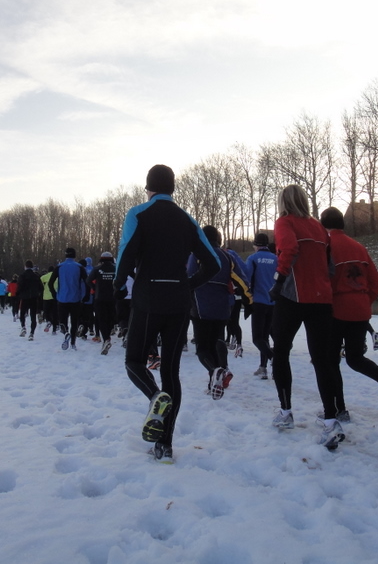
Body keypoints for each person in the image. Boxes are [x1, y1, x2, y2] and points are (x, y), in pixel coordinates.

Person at [113, 164, 220, 464]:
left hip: (148, 299)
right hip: (178, 303)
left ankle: (153, 397)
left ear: (148, 187)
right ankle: (165, 445)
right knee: (171, 372)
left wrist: (118, 287)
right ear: (173, 188)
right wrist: (189, 285)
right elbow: (213, 264)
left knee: (134, 360)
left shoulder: (138, 213)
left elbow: (126, 254)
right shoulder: (188, 219)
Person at [269, 185, 345, 451]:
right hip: (321, 298)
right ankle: (330, 419)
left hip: (293, 296)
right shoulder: (319, 228)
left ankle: (286, 411)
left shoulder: (284, 221)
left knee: (281, 351)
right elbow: (330, 266)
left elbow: (288, 250)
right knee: (323, 360)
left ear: (283, 202)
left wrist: (279, 280)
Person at [321, 206, 378, 422]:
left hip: (336, 309)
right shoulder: (358, 247)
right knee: (355, 358)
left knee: (330, 362)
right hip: (360, 309)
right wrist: (363, 301)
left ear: (323, 225)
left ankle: (339, 410)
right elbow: (376, 282)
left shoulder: (327, 246)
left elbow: (324, 280)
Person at [188, 226, 252, 400]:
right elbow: (242, 280)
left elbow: (189, 276)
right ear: (219, 238)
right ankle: (214, 380)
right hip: (223, 305)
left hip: (201, 304)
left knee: (202, 348)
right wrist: (249, 299)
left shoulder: (197, 254)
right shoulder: (227, 256)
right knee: (218, 339)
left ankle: (214, 371)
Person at [245, 232, 277, 379]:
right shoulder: (275, 258)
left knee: (257, 338)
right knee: (264, 337)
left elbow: (246, 279)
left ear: (256, 245)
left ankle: (273, 359)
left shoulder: (253, 258)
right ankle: (263, 368)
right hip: (272, 302)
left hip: (258, 302)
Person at [49, 248, 88, 351]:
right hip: (76, 298)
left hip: (62, 298)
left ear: (65, 255)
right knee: (74, 322)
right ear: (75, 256)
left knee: (62, 321)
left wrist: (54, 294)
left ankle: (66, 333)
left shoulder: (59, 267)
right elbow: (87, 282)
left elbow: (50, 283)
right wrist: (86, 295)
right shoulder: (80, 267)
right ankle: (73, 343)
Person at [88, 252, 118, 355]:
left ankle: (106, 339)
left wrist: (94, 288)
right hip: (113, 297)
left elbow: (88, 280)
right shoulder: (115, 268)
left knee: (101, 319)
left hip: (99, 297)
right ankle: (107, 336)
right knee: (110, 319)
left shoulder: (97, 269)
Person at [17, 260, 43, 340]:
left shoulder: (22, 275)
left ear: (25, 266)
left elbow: (20, 286)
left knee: (22, 314)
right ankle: (32, 333)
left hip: (24, 297)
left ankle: (23, 327)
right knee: (33, 316)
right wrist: (38, 293)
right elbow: (41, 288)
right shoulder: (36, 276)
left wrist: (19, 294)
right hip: (34, 298)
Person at [40, 265, 59, 335]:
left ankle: (48, 320)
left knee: (46, 311)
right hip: (55, 297)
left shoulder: (44, 277)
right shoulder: (57, 277)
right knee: (55, 313)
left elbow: (40, 284)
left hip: (46, 297)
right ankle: (54, 329)